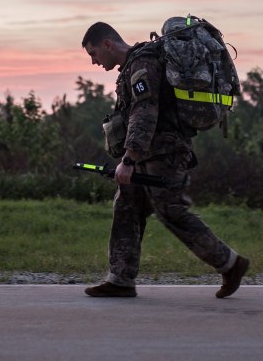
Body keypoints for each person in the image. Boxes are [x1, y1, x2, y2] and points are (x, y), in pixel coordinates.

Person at [81, 20, 250, 298]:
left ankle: (230, 264)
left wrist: (129, 158)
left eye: (93, 54)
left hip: (165, 153)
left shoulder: (143, 63)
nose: (94, 62)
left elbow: (145, 111)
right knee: (127, 206)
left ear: (107, 44)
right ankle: (120, 279)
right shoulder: (134, 66)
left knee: (171, 211)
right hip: (150, 152)